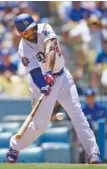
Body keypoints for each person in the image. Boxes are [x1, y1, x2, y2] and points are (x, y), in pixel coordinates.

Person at [6, 13, 101, 164]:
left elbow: (50, 49)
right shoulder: (23, 49)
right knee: (40, 126)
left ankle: (93, 153)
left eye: (31, 29)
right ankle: (14, 147)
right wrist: (43, 84)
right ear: (20, 33)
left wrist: (49, 72)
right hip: (40, 83)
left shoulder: (44, 28)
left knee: (78, 115)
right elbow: (35, 73)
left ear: (34, 25)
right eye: (25, 32)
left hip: (62, 77)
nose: (30, 33)